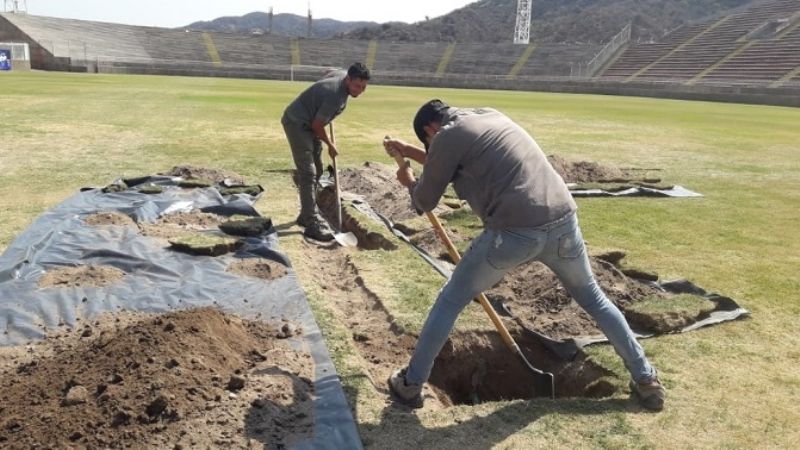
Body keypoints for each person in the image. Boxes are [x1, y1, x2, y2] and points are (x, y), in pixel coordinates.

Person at [384, 99, 666, 411]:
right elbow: (448, 164)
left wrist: (408, 181)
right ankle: (646, 379)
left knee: (451, 299)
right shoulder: (488, 116)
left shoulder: (448, 135)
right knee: (594, 299)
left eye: (428, 143)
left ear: (430, 129)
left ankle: (410, 385)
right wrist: (410, 151)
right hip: (563, 223)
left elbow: (424, 201)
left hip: (513, 233)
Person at [282, 62, 370, 241]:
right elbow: (317, 125)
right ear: (348, 79)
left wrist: (318, 96)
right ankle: (311, 222)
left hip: (312, 124)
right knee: (308, 172)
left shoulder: (342, 75)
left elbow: (328, 71)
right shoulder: (334, 96)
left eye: (363, 87)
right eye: (356, 86)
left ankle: (305, 214)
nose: (360, 90)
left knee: (319, 170)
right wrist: (330, 144)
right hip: (298, 123)